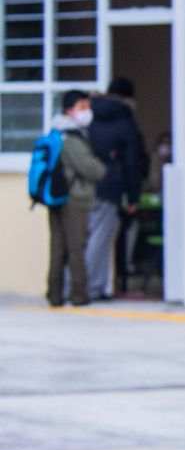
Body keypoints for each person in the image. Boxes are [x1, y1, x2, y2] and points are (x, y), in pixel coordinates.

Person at [82, 77, 146, 301]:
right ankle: (87, 287)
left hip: (80, 186)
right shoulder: (124, 120)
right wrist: (133, 196)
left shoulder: (88, 114)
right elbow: (132, 162)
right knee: (100, 239)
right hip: (109, 187)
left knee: (85, 238)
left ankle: (95, 286)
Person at [46, 90, 107, 308]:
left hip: (55, 197)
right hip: (74, 199)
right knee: (76, 248)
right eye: (82, 107)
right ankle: (79, 294)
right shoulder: (71, 137)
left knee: (58, 247)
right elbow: (91, 169)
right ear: (69, 110)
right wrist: (103, 167)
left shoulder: (56, 133)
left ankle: (54, 294)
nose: (87, 112)